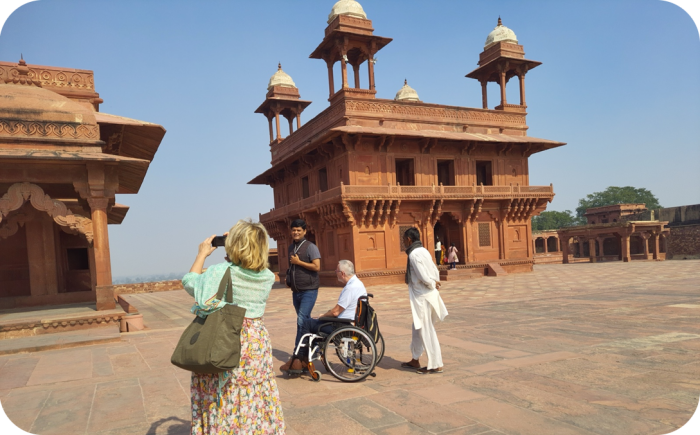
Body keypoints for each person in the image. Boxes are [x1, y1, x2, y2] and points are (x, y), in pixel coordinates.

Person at [182, 220, 285, 434]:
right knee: (253, 392)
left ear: (234, 246)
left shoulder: (221, 270)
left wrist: (202, 254)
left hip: (225, 337)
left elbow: (190, 282)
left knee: (223, 391)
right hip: (255, 341)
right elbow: (246, 266)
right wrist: (239, 244)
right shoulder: (267, 276)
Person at [295, 260, 367, 361]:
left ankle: (301, 358)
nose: (335, 273)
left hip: (343, 325)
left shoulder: (350, 288)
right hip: (352, 322)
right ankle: (312, 351)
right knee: (316, 322)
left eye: (336, 271)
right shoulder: (358, 283)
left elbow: (335, 312)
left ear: (342, 273)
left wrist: (323, 316)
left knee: (307, 323)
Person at [400, 227, 448, 374]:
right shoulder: (424, 251)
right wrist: (435, 281)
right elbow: (434, 269)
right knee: (417, 328)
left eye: (404, 239)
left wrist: (432, 283)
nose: (403, 242)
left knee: (426, 329)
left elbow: (422, 275)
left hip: (422, 296)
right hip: (426, 294)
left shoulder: (414, 254)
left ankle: (436, 364)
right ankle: (415, 359)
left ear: (409, 239)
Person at [280, 219, 321, 374]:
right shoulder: (291, 247)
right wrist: (288, 277)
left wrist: (299, 262)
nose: (295, 232)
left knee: (301, 320)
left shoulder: (311, 247)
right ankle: (312, 350)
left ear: (304, 231)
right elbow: (292, 267)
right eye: (293, 230)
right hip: (296, 291)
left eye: (298, 230)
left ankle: (297, 356)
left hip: (309, 290)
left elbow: (317, 267)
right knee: (304, 324)